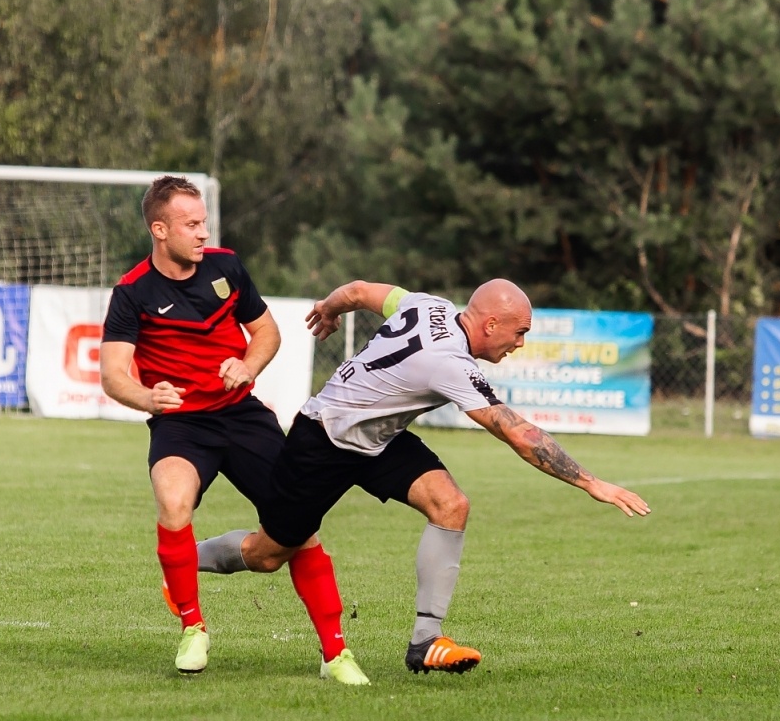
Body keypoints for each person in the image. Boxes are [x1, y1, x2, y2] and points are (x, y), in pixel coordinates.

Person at [194, 277, 650, 676]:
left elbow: (357, 291)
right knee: (267, 554)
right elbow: (518, 433)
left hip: (380, 439)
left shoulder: (427, 305)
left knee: (450, 504)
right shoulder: (450, 362)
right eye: (519, 332)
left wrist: (329, 309)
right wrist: (592, 483)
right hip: (323, 440)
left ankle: (426, 642)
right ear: (490, 324)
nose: (520, 344)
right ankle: (186, 559)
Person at [99, 176, 368, 685]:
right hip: (180, 425)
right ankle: (192, 627)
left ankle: (336, 654)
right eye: (191, 224)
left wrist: (248, 366)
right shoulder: (132, 292)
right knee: (173, 500)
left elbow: (266, 332)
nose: (203, 233)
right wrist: (147, 396)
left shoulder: (226, 266)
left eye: (204, 223)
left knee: (299, 528)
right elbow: (113, 374)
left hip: (243, 416)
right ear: (160, 229)